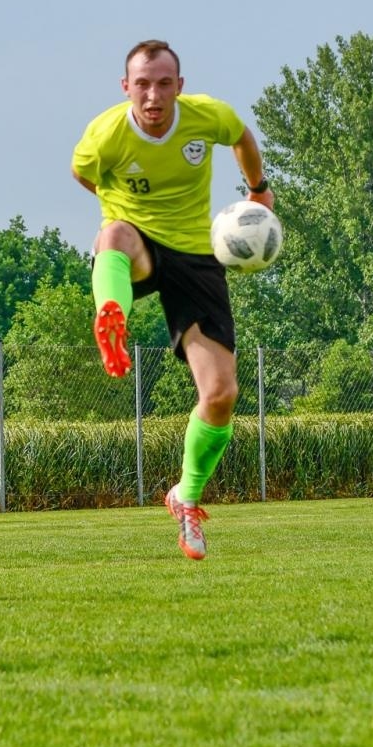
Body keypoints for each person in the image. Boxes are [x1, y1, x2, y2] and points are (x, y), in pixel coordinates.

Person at [71, 41, 274, 560]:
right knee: (113, 235)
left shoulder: (207, 116)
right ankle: (110, 314)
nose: (153, 94)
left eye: (164, 83)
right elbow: (83, 172)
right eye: (142, 84)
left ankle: (185, 497)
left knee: (222, 393)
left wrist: (259, 189)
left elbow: (241, 136)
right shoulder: (106, 134)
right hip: (140, 243)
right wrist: (120, 201)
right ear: (126, 88)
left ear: (180, 86)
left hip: (195, 257)